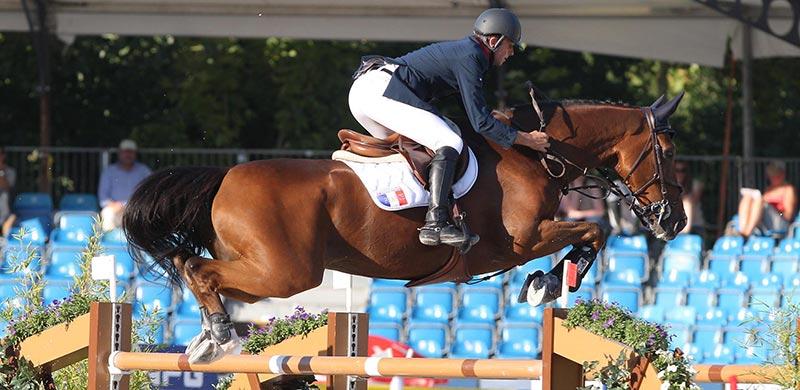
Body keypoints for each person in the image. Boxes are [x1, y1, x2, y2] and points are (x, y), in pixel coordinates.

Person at [348, 8, 550, 249]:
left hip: (366, 93)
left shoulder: (468, 54)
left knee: (416, 154)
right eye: (510, 45)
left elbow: (471, 112)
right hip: (380, 92)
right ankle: (436, 223)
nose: (511, 52)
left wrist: (498, 123)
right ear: (494, 41)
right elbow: (480, 122)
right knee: (450, 141)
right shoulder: (471, 57)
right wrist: (527, 139)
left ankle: (402, 216)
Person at [98, 139, 152, 231]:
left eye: (131, 152)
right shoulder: (109, 171)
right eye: (125, 152)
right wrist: (116, 205)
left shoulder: (144, 171)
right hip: (114, 208)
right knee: (106, 214)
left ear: (135, 154)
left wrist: (136, 205)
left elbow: (151, 192)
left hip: (137, 208)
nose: (128, 155)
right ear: (119, 153)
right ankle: (108, 244)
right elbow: (103, 198)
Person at [736, 160, 797, 238]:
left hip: (781, 222)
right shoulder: (768, 190)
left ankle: (747, 233)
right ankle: (743, 231)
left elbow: (788, 215)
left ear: (782, 175)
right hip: (764, 220)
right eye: (771, 175)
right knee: (747, 197)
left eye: (776, 175)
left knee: (759, 201)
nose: (773, 178)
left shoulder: (788, 189)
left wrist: (776, 210)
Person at [674, 161, 705, 235]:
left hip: (695, 225)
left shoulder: (695, 184)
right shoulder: (669, 186)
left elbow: (693, 200)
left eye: (683, 170)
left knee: (687, 202)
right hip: (673, 225)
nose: (680, 174)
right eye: (677, 170)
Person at [0, 146, 17, 236]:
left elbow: (7, 187)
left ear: (3, 156)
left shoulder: (10, 171)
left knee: (4, 195)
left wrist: (1, 172)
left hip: (5, 208)